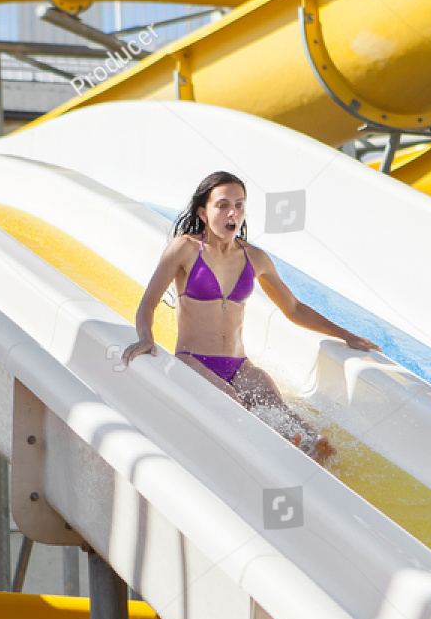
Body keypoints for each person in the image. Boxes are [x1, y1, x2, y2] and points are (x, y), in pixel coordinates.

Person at [121, 171, 379, 462]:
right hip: (193, 360)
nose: (233, 213)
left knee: (280, 410)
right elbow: (148, 303)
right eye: (222, 205)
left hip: (238, 363)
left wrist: (346, 335)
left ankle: (312, 451)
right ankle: (279, 451)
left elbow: (293, 308)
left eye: (240, 204)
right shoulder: (184, 249)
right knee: (233, 405)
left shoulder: (254, 258)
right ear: (203, 213)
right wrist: (145, 337)